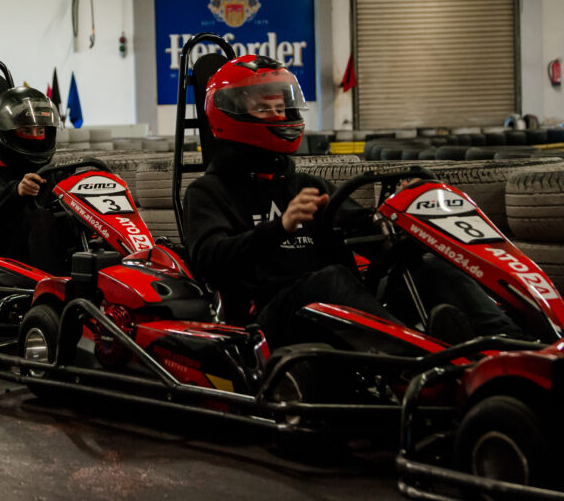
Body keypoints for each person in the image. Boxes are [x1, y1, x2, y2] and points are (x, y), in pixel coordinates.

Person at [183, 54, 521, 348]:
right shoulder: (209, 192)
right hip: (267, 315)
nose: (278, 115)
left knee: (427, 269)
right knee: (332, 279)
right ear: (228, 115)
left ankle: (513, 345)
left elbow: (369, 236)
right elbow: (209, 261)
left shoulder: (307, 185)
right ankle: (418, 358)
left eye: (280, 106)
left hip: (339, 306)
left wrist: (402, 215)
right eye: (263, 108)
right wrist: (280, 228)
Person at [0, 86, 70, 273]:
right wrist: (16, 191)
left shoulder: (56, 174)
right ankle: (54, 284)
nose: (35, 138)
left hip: (62, 255)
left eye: (40, 132)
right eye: (26, 131)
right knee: (41, 218)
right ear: (1, 135)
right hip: (10, 260)